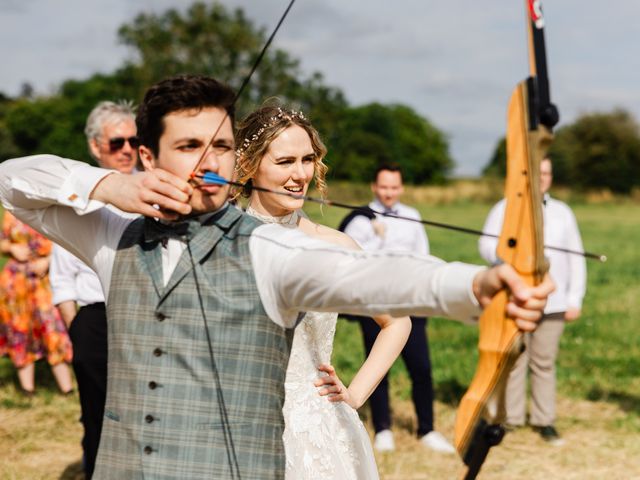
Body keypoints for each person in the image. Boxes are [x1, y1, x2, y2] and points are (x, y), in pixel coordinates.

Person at [0, 74, 553, 480]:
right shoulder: (110, 233)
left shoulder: (270, 247)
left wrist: (481, 286)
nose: (206, 161)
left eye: (218, 145)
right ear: (147, 156)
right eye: (190, 146)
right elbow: (12, 181)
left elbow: (378, 281)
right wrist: (107, 187)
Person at [234, 104, 412, 479]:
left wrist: (355, 395)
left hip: (316, 426)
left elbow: (397, 322)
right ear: (249, 165)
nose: (299, 175)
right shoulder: (220, 241)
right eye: (284, 162)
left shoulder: (334, 245)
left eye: (308, 159)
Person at [49, 100, 138, 479]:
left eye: (135, 140)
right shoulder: (77, 201)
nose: (128, 149)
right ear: (95, 146)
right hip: (94, 317)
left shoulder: (154, 192)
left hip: (143, 314)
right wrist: (78, 326)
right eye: (117, 142)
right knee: (98, 409)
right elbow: (61, 276)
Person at [342, 164, 454, 453]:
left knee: (421, 367)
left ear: (401, 188)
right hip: (376, 301)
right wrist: (376, 237)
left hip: (409, 300)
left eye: (394, 187)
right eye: (383, 187)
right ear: (374, 187)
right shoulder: (360, 220)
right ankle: (383, 429)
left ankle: (427, 429)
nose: (389, 193)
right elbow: (353, 262)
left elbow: (423, 256)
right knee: (378, 366)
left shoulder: (413, 217)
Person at [478, 157, 586, 446]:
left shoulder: (563, 212)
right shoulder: (504, 208)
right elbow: (486, 244)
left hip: (553, 303)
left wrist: (574, 298)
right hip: (514, 300)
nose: (542, 178)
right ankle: (510, 419)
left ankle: (544, 420)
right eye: (537, 173)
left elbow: (576, 256)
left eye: (547, 173)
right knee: (513, 361)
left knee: (544, 362)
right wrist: (511, 254)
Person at [0, 211, 73, 395]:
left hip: (46, 282)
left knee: (54, 329)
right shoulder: (11, 210)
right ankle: (27, 390)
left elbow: (70, 245)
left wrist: (48, 261)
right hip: (15, 283)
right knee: (19, 330)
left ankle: (67, 388)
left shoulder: (52, 211)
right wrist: (11, 248)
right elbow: (2, 241)